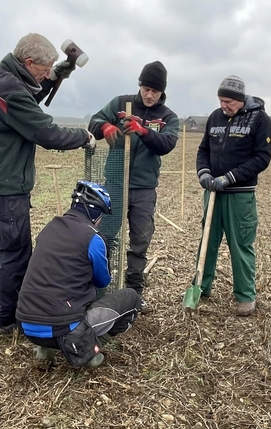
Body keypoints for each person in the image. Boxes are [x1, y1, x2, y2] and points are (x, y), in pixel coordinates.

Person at [0, 33, 96, 335]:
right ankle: (6, 320)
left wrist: (60, 72)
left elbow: (32, 92)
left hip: (4, 179)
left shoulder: (7, 77)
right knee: (14, 252)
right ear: (28, 62)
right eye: (44, 69)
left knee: (16, 249)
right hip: (6, 185)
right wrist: (83, 136)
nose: (46, 74)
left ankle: (16, 312)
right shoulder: (9, 90)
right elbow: (46, 132)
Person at [16, 181, 143, 368]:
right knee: (131, 298)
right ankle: (88, 350)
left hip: (25, 324)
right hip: (62, 330)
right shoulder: (93, 238)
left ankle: (44, 350)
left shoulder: (49, 228)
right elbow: (102, 281)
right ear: (96, 214)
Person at [88, 61, 180, 309]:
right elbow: (94, 122)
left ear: (162, 92)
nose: (149, 95)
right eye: (146, 88)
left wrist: (144, 132)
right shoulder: (120, 104)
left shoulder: (167, 117)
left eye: (155, 91)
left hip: (143, 187)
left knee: (140, 240)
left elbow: (168, 143)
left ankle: (134, 292)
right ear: (140, 85)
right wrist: (104, 126)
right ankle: (100, 288)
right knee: (105, 235)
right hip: (116, 182)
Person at [195, 76, 271, 316]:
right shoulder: (215, 117)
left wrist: (229, 178)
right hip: (213, 192)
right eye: (220, 100)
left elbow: (262, 158)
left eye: (228, 101)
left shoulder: (259, 119)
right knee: (207, 241)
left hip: (240, 194)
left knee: (240, 244)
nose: (223, 106)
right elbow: (203, 150)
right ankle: (200, 287)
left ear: (240, 99)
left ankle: (246, 296)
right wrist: (204, 174)